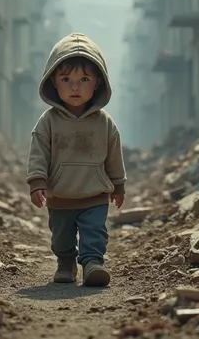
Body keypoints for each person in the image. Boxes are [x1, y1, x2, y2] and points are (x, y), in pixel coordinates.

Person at [27, 32, 126, 287]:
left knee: (95, 232)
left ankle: (93, 264)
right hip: (60, 194)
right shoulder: (48, 122)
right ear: (53, 83)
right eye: (66, 79)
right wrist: (37, 182)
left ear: (97, 84)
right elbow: (39, 151)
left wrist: (119, 184)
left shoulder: (105, 123)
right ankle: (65, 262)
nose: (74, 86)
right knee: (61, 238)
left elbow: (114, 155)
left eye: (84, 79)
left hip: (94, 194)